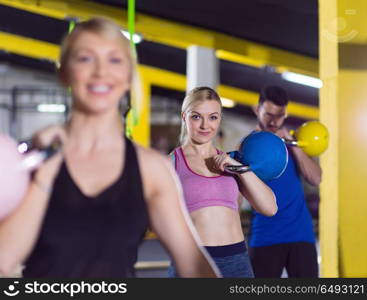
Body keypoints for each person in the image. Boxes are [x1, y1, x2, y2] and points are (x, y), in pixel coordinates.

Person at [0, 17, 219, 278]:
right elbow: (4, 260)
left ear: (128, 76)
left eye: (114, 60)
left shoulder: (151, 169)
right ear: (64, 71)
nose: (101, 72)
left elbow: (194, 266)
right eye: (85, 59)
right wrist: (46, 171)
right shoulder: (31, 162)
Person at [168, 87, 277, 278]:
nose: (205, 125)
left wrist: (236, 166)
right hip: (194, 260)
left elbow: (270, 208)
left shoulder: (232, 162)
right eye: (196, 117)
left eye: (213, 117)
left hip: (237, 261)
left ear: (219, 119)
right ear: (184, 116)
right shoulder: (171, 163)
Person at [248, 85, 322, 277]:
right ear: (257, 110)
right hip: (265, 235)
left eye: (279, 115)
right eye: (268, 115)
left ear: (286, 114)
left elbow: (316, 178)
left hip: (300, 233)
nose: (273, 121)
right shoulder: (247, 146)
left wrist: (290, 141)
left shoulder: (294, 142)